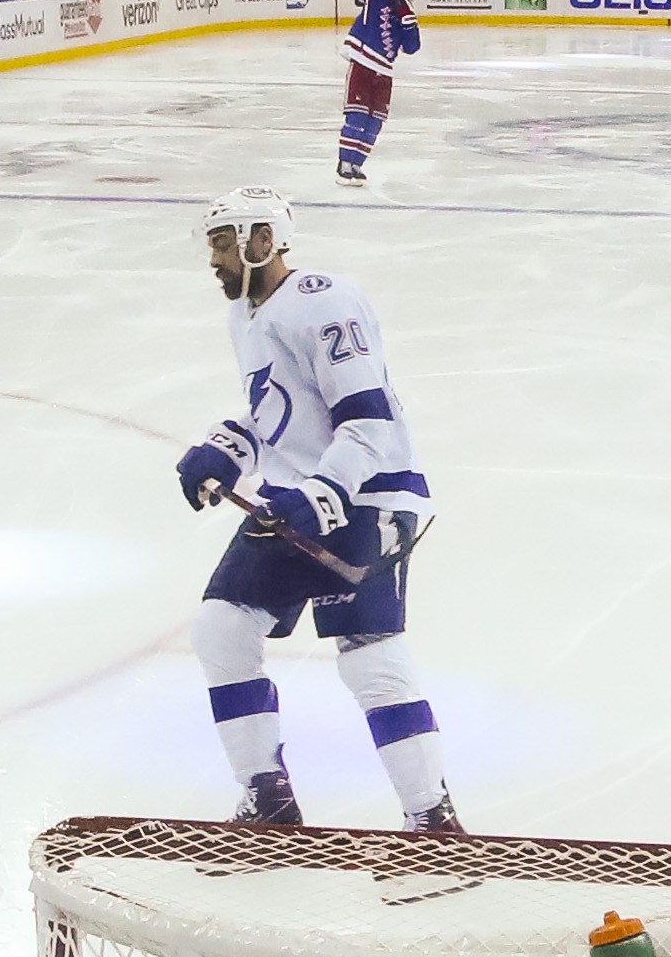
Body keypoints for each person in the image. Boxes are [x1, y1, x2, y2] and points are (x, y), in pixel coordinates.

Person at [173, 187, 460, 834]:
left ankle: (432, 822)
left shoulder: (325, 303)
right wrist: (230, 446)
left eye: (223, 243)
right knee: (222, 629)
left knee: (368, 656)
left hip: (365, 495)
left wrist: (321, 494)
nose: (213, 259)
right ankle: (268, 800)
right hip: (297, 497)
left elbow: (368, 421)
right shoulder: (246, 316)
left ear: (262, 241)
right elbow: (278, 409)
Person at [335, 0, 420, 183]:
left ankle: (357, 164)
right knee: (357, 115)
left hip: (384, 72)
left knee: (375, 122)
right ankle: (345, 163)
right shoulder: (377, 0)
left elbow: (412, 47)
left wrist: (409, 23)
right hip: (363, 62)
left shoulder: (405, 19)